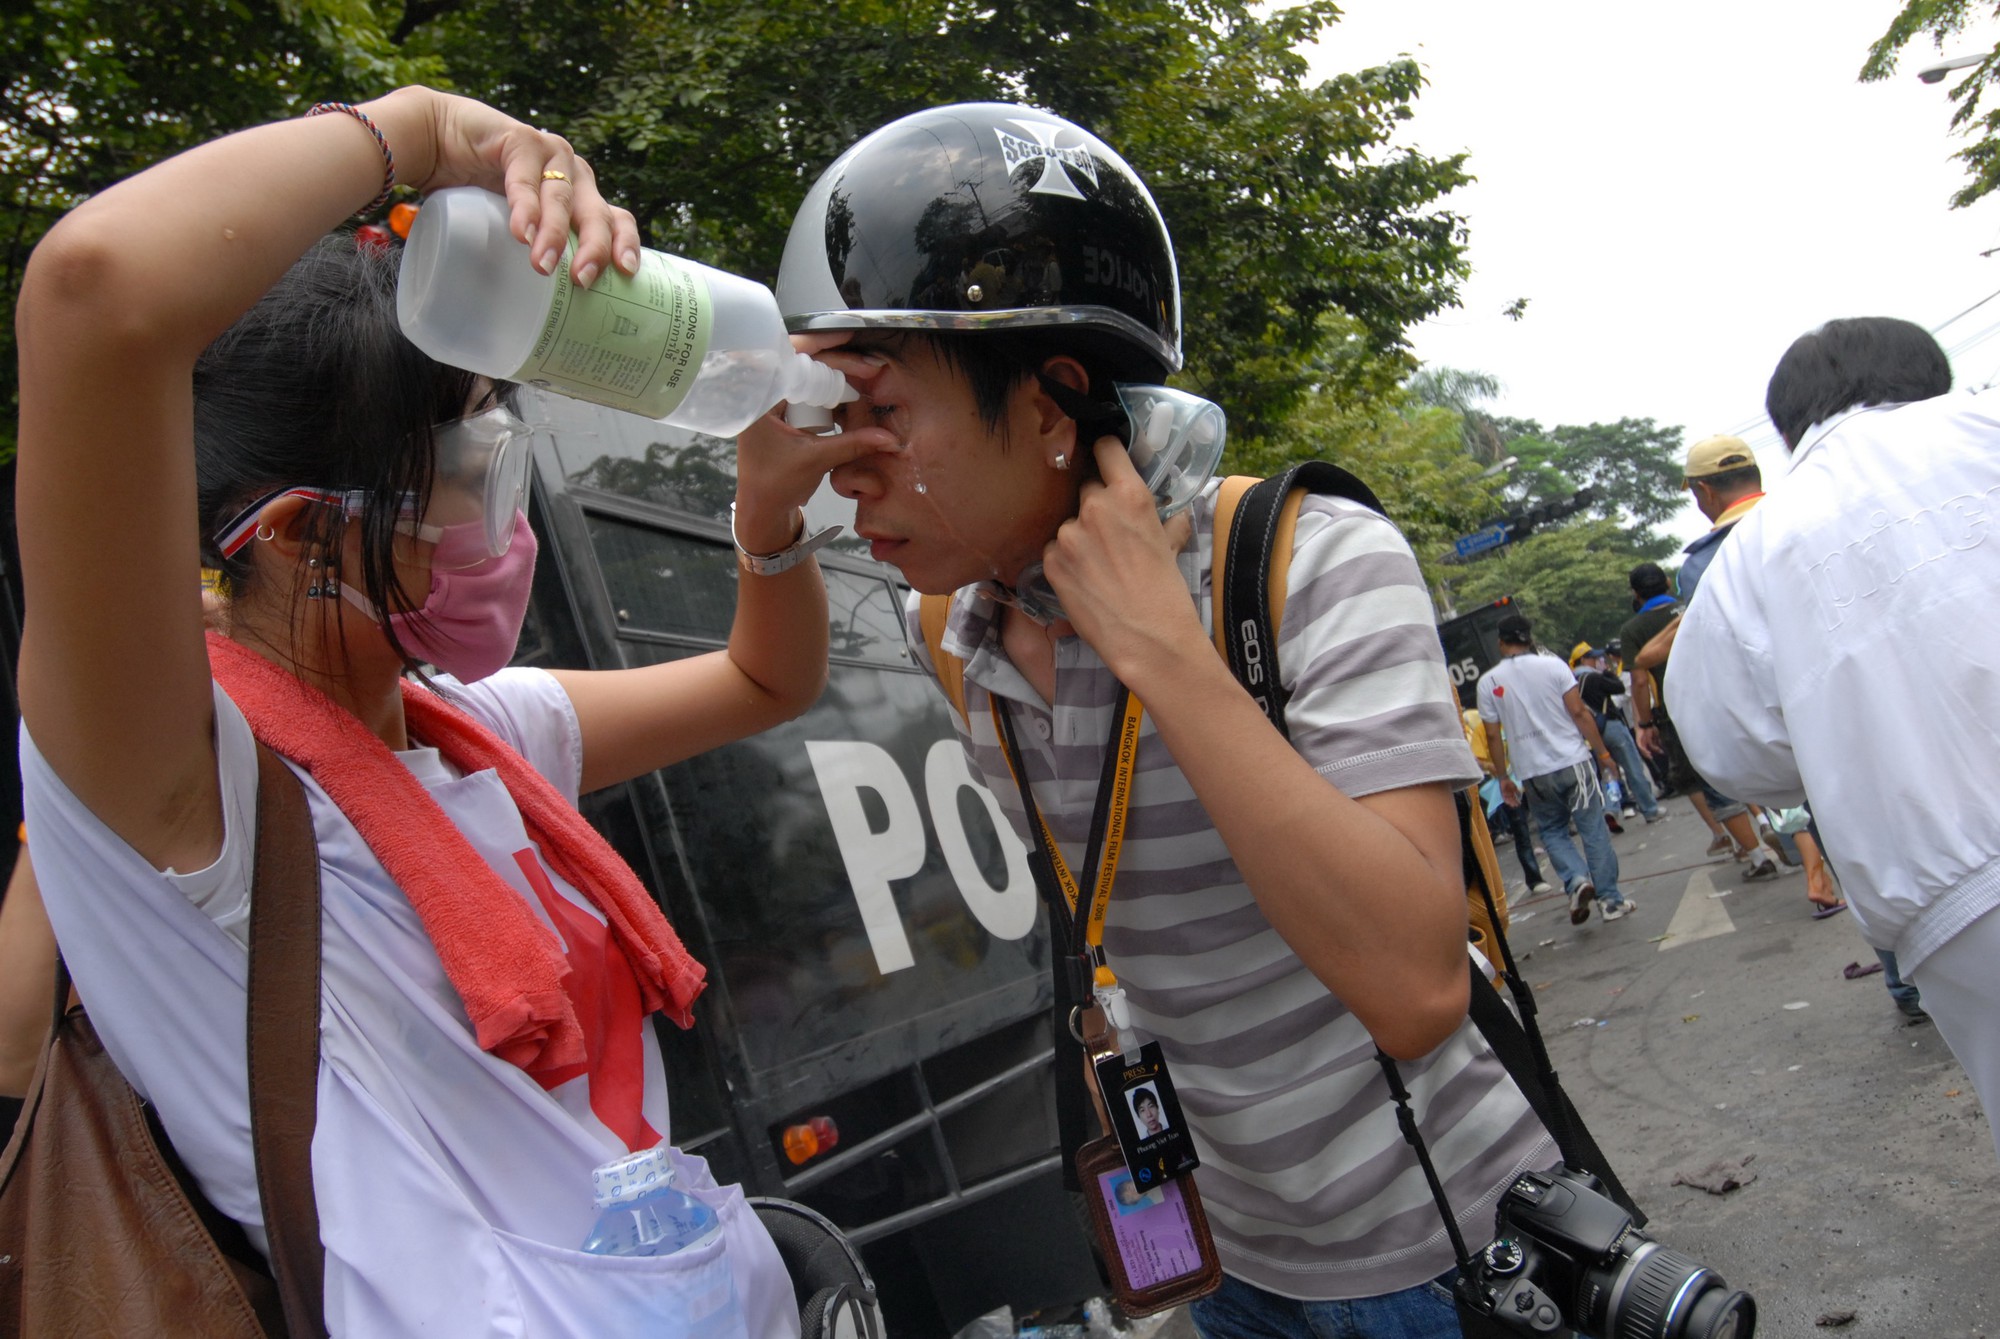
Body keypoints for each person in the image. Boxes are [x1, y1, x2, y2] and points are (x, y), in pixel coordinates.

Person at [14, 87, 894, 1334]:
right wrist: (420, 131)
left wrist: (766, 524)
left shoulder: (475, 731)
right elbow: (91, 290)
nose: (507, 522)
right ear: (305, 531)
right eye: (472, 478)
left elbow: (769, 680)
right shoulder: (189, 801)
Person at [775, 102, 1554, 1337]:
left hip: (1450, 1246)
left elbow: (1414, 986)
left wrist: (1157, 652)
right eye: (819, 421)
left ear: (1051, 402)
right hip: (1231, 1262)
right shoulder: (952, 635)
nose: (840, 465)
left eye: (873, 412)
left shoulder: (1307, 561)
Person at [1671, 315, 2000, 1160]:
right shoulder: (1985, 428)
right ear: (1930, 377)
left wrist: (1846, 736)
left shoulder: (1751, 555)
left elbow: (1735, 753)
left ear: (1791, 430)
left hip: (1955, 899)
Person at [1618, 563, 1779, 880]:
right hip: (1727, 696)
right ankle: (1769, 823)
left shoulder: (1634, 631)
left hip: (1681, 711)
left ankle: (1758, 857)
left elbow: (1638, 680)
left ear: (1636, 594)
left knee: (1711, 781)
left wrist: (1645, 724)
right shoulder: (1693, 606)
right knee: (1751, 762)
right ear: (1667, 582)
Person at [1475, 615, 1635, 924]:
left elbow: (1493, 735)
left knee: (1552, 830)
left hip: (1533, 773)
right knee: (1592, 830)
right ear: (1529, 639)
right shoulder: (1554, 666)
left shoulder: (1488, 682)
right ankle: (1611, 902)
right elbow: (1578, 711)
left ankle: (1576, 880)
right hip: (1573, 762)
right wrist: (1603, 753)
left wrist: (1503, 776)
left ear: (1501, 643)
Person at [1463, 706, 1553, 895]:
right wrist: (1494, 767)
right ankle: (1534, 878)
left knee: (1549, 822)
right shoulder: (1482, 729)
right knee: (1520, 829)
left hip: (1532, 776)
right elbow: (1477, 758)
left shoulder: (1518, 722)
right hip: (1507, 784)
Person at [1572, 645, 1662, 824]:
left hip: (1593, 733)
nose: (1598, 661)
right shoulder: (1595, 677)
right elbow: (1619, 687)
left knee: (1609, 772)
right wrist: (1606, 672)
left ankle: (1612, 808)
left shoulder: (1571, 682)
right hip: (1612, 726)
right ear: (1583, 660)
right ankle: (1650, 808)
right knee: (1632, 767)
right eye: (1593, 658)